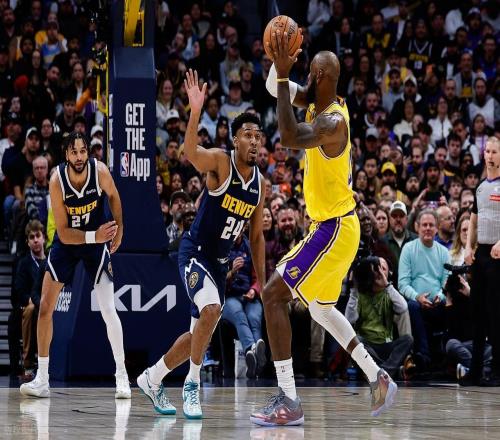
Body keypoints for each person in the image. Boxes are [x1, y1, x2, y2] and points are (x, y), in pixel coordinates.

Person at [251, 30, 397, 427]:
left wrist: (285, 74)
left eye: (308, 74)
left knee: (272, 296)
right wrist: (278, 63)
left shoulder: (332, 121)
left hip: (334, 227)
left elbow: (287, 136)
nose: (304, 81)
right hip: (336, 226)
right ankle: (377, 375)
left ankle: (289, 400)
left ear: (319, 77)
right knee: (320, 308)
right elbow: (275, 89)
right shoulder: (319, 104)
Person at [137, 70, 265, 419]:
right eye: (248, 135)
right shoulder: (222, 163)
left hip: (220, 263)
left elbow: (256, 237)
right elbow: (191, 152)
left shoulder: (260, 184)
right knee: (210, 311)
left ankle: (152, 378)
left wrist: (264, 283)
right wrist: (195, 111)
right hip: (195, 252)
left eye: (258, 136)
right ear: (235, 140)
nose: (254, 141)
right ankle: (191, 385)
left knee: (198, 335)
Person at [20, 132, 130, 399]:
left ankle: (122, 376)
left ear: (87, 153)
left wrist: (119, 229)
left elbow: (115, 196)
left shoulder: (100, 171)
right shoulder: (56, 181)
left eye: (82, 151)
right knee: (45, 307)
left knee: (108, 309)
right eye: (74, 152)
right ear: (66, 154)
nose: (79, 157)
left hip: (96, 243)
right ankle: (42, 379)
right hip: (69, 243)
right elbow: (64, 233)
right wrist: (96, 236)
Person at [464, 137, 500, 386]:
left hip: (498, 255)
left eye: (494, 152)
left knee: (496, 314)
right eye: (487, 151)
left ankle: (497, 370)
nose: (490, 155)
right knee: (477, 314)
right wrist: (468, 246)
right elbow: (474, 220)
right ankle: (475, 371)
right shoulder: (480, 187)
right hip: (482, 255)